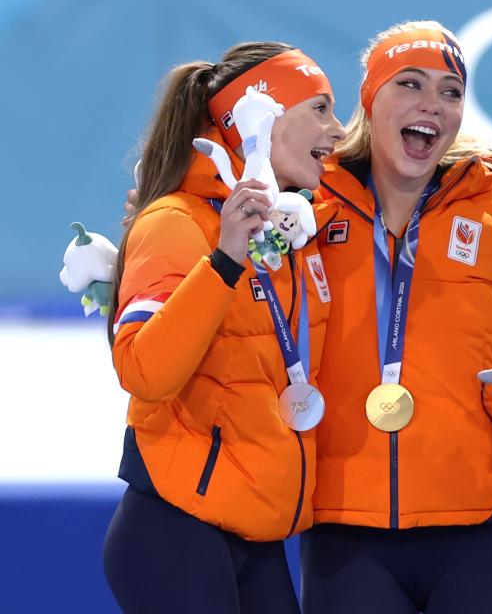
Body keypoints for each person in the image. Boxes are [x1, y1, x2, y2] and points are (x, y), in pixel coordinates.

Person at [301, 20, 492, 614]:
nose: (432, 104)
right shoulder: (307, 210)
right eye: (410, 84)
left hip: (479, 517)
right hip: (343, 515)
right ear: (371, 97)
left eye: (450, 92)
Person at [102, 41, 345, 614]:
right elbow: (143, 370)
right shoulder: (174, 222)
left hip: (252, 532)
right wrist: (224, 262)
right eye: (320, 109)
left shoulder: (290, 228)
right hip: (177, 529)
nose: (338, 131)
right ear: (259, 121)